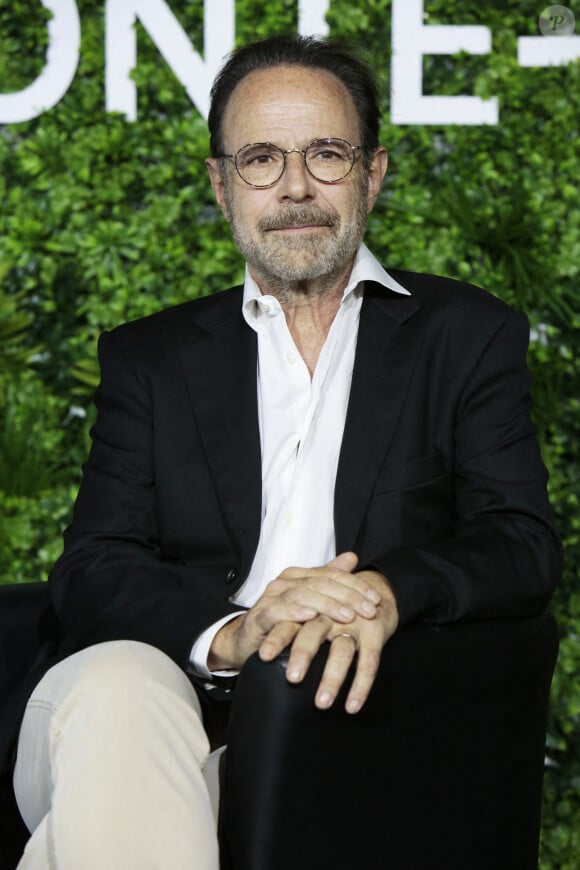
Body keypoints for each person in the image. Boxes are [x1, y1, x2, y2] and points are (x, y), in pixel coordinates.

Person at [9, 34, 561, 869]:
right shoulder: (152, 358)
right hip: (140, 701)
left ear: (373, 174)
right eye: (261, 159)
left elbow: (520, 544)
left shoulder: (465, 338)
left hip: (334, 730)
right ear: (221, 183)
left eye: (326, 155)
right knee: (121, 689)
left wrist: (382, 589)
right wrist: (232, 635)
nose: (295, 187)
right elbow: (94, 566)